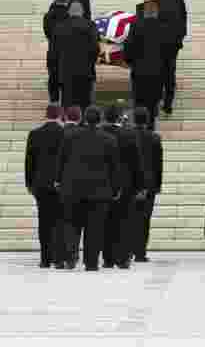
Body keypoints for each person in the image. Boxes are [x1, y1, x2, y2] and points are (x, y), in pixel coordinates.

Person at [56, 106, 120, 271]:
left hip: (72, 189)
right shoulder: (109, 139)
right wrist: (115, 188)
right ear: (99, 120)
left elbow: (61, 161)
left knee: (71, 224)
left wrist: (58, 180)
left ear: (84, 118)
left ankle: (70, 258)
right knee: (95, 228)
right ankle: (91, 262)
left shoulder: (69, 136)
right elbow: (115, 168)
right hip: (99, 192)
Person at [100, 104, 145, 269]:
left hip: (104, 183)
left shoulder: (101, 133)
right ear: (120, 117)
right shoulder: (129, 134)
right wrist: (140, 185)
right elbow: (137, 162)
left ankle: (108, 258)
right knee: (124, 222)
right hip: (126, 184)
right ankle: (123, 257)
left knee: (106, 222)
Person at [25, 106, 65, 268]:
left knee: (44, 222)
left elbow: (29, 162)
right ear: (60, 115)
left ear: (45, 115)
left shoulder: (35, 134)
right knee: (59, 221)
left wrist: (29, 183)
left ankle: (45, 259)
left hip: (40, 184)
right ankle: (58, 257)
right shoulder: (65, 133)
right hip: (59, 184)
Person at [124, 0, 170, 128]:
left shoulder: (136, 26)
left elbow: (128, 49)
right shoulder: (163, 28)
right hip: (157, 73)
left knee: (139, 105)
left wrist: (131, 63)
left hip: (139, 73)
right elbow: (167, 53)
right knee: (152, 107)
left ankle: (139, 131)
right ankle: (150, 131)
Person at [147, 0, 188, 116]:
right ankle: (168, 105)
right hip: (173, 40)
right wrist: (181, 36)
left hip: (157, 40)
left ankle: (157, 102)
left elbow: (148, 16)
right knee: (170, 71)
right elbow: (183, 14)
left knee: (157, 71)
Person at [50, 1, 100, 110]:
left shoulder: (59, 27)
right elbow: (95, 49)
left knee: (67, 106)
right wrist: (91, 62)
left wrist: (55, 72)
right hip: (85, 72)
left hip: (66, 73)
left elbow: (53, 53)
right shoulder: (90, 26)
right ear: (82, 12)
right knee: (84, 106)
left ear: (69, 12)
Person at [131, 106, 162, 263]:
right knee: (144, 220)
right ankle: (140, 252)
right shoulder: (154, 138)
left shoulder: (127, 136)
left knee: (128, 218)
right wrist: (157, 186)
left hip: (130, 184)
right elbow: (158, 164)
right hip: (149, 184)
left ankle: (127, 249)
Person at [43, 0, 72, 104]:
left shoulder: (48, 16)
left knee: (53, 78)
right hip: (67, 52)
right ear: (67, 1)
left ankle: (53, 103)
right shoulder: (69, 17)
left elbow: (47, 33)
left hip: (53, 50)